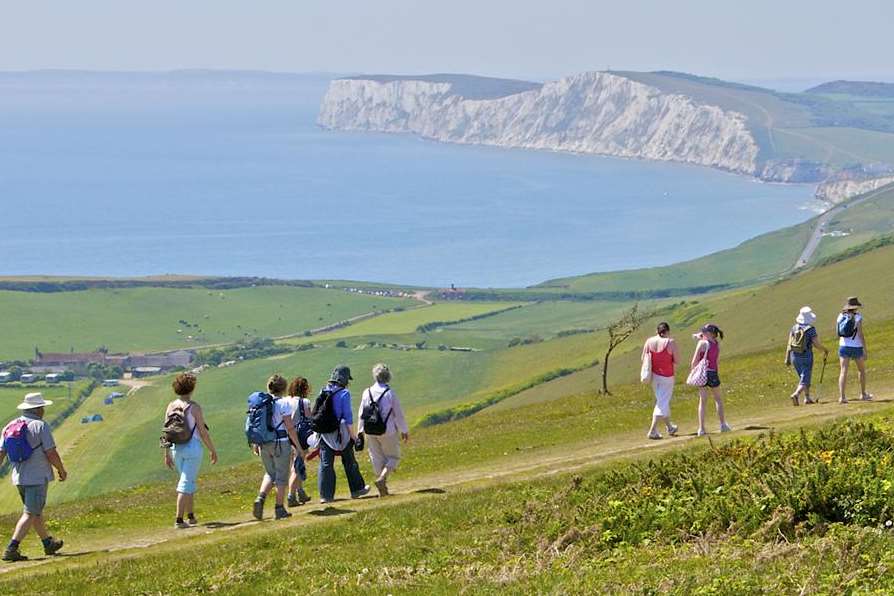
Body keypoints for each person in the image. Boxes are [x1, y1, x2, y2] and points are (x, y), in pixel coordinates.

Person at [0, 393, 67, 562]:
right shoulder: (40, 426)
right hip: (37, 477)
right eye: (42, 407)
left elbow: (1, 452)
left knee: (34, 511)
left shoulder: (9, 426)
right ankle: (11, 548)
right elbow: (51, 452)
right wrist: (61, 469)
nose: (43, 410)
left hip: (19, 478)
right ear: (37, 409)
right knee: (30, 513)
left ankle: (47, 543)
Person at [163, 373, 218, 529]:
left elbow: (165, 431)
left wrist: (166, 454)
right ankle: (179, 520)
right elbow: (202, 432)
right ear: (192, 388)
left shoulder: (170, 406)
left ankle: (191, 516)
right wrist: (212, 450)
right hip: (192, 447)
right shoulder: (194, 407)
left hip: (176, 448)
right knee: (185, 483)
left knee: (187, 480)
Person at [315, 365, 369, 504]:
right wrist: (354, 437)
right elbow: (348, 419)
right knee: (349, 461)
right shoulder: (344, 394)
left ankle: (325, 496)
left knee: (325, 464)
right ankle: (357, 489)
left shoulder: (323, 391)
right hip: (341, 433)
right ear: (344, 379)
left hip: (324, 434)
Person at [252, 375, 303, 520]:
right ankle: (279, 508)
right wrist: (298, 446)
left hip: (263, 443)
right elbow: (290, 427)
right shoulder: (283, 403)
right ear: (283, 388)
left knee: (269, 473)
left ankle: (260, 498)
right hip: (280, 442)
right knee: (281, 476)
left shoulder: (260, 404)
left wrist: (256, 443)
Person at [357, 363, 409, 496]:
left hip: (370, 431)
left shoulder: (366, 392)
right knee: (394, 457)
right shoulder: (390, 393)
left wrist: (360, 431)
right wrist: (404, 430)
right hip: (387, 430)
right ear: (388, 377)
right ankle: (382, 479)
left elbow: (361, 413)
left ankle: (382, 488)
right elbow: (398, 414)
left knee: (376, 459)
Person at [690, 324, 731, 436]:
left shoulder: (702, 343)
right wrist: (699, 336)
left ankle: (701, 429)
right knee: (718, 399)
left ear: (709, 333)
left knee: (702, 401)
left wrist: (693, 372)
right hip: (712, 372)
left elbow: (694, 361)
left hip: (702, 374)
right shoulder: (716, 344)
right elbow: (715, 360)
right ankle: (723, 425)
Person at [783, 306, 829, 406]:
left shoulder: (794, 327)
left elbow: (789, 343)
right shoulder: (811, 329)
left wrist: (787, 358)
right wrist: (825, 350)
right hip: (806, 355)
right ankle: (796, 394)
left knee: (803, 377)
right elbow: (816, 344)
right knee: (805, 378)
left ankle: (807, 398)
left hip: (794, 356)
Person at [641, 323, 680, 440]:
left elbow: (643, 358)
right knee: (662, 402)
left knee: (662, 400)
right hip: (667, 376)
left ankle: (670, 427)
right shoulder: (670, 342)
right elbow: (677, 360)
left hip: (654, 376)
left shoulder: (649, 341)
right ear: (667, 331)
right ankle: (652, 430)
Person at [837, 296, 872, 404]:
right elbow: (860, 334)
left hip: (843, 346)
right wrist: (865, 349)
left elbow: (838, 333)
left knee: (843, 371)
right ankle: (863, 394)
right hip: (856, 346)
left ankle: (842, 397)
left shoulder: (840, 316)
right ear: (855, 307)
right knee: (861, 370)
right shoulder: (858, 317)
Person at [285, 376, 313, 508]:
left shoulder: (286, 401)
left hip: (285, 437)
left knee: (294, 465)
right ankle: (291, 495)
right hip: (299, 437)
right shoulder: (305, 402)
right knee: (298, 466)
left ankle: (300, 492)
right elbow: (310, 418)